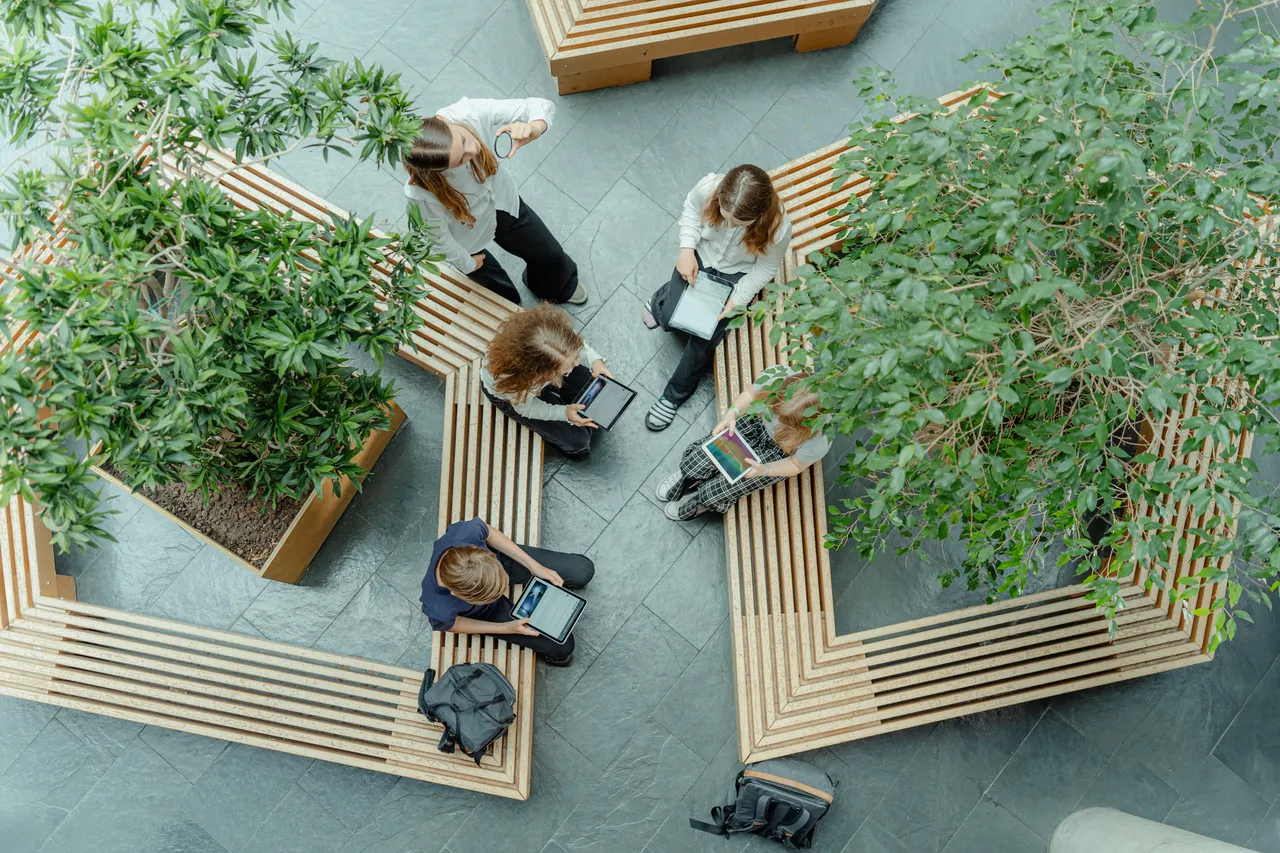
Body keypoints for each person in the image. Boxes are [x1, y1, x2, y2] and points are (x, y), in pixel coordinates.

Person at [640, 165, 792, 431]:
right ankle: (661, 299)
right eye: (725, 216)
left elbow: (766, 268)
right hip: (701, 256)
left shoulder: (778, 228)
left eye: (739, 223)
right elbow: (690, 210)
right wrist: (686, 250)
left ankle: (674, 395)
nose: (730, 224)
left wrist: (738, 298)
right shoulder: (708, 188)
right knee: (670, 319)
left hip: (735, 275)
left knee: (703, 337)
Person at [402, 97, 586, 306]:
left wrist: (535, 127)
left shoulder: (467, 113)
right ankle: (510, 309)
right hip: (466, 231)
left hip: (502, 203)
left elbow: (538, 105)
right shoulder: (419, 192)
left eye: (463, 139)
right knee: (493, 287)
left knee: (548, 252)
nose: (473, 150)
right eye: (460, 160)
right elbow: (438, 237)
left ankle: (555, 287)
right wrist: (467, 263)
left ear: (443, 121)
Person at [655, 368, 827, 521]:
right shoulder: (780, 377)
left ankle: (699, 501)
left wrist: (764, 470)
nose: (777, 419)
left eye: (784, 420)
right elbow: (751, 394)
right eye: (777, 409)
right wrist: (732, 413)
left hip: (780, 453)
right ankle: (688, 478)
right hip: (755, 423)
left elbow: (796, 464)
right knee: (698, 459)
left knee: (719, 490)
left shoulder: (821, 436)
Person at [420, 516, 594, 666]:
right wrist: (507, 628)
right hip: (486, 612)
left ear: (476, 550)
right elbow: (454, 624)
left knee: (583, 570)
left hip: (502, 566)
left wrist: (535, 566)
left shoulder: (466, 533)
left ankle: (506, 573)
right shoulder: (437, 608)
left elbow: (487, 532)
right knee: (563, 647)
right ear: (456, 595)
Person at [481, 302, 611, 460]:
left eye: (575, 358)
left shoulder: (553, 333)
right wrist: (564, 413)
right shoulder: (508, 382)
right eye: (570, 365)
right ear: (543, 372)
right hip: (517, 397)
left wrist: (594, 361)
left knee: (594, 390)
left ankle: (567, 396)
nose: (577, 364)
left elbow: (574, 344)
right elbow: (528, 408)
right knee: (578, 440)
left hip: (542, 375)